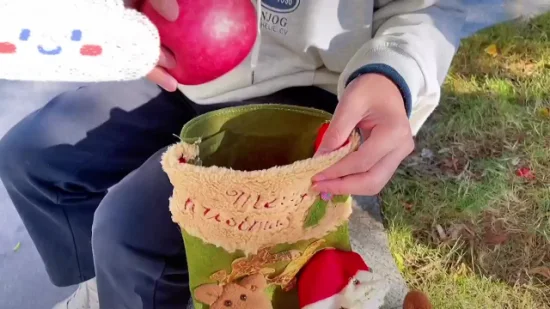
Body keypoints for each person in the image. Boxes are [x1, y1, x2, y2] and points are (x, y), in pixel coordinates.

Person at [0, 0, 536, 308]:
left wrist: (393, 76)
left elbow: (430, 8)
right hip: (191, 67)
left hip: (318, 83)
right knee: (33, 157)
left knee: (128, 229)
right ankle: (106, 284)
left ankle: (137, 279)